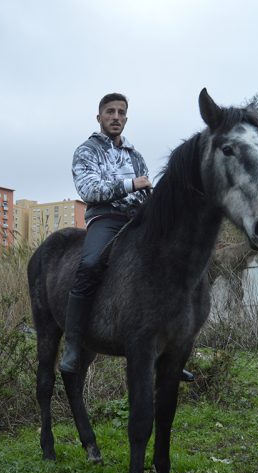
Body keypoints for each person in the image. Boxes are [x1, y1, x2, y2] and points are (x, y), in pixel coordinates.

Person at [60, 92, 194, 384]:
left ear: (126, 118)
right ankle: (72, 343)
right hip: (105, 218)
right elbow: (89, 190)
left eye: (121, 112)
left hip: (137, 219)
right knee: (92, 263)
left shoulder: (135, 155)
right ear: (100, 117)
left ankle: (170, 351)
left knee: (171, 261)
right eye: (110, 111)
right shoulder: (87, 151)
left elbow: (147, 191)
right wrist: (131, 184)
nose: (116, 117)